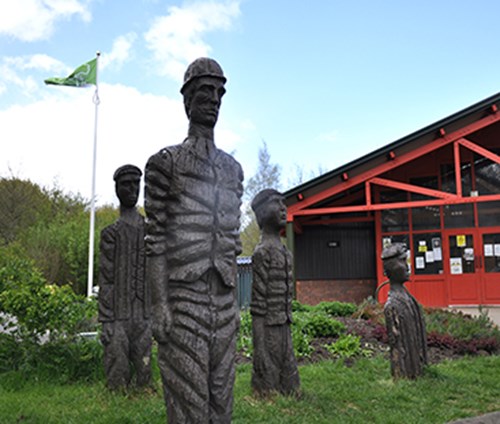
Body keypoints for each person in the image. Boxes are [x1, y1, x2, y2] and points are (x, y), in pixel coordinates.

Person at [144, 57, 243, 423]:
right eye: (205, 91)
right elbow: (155, 239)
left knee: (222, 400)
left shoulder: (233, 170)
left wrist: (232, 301)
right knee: (188, 404)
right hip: (183, 297)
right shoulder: (165, 163)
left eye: (219, 92)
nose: (214, 99)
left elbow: (232, 242)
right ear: (187, 100)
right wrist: (159, 305)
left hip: (224, 299)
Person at [98, 164, 152, 390]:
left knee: (144, 367)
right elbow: (106, 278)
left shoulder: (151, 231)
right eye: (126, 184)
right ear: (117, 189)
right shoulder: (110, 234)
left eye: (136, 183)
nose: (132, 189)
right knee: (117, 366)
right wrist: (107, 319)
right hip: (118, 313)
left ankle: (144, 389)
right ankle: (117, 395)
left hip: (144, 312)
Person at [250, 189, 300, 396]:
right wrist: (259, 347)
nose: (283, 208)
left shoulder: (285, 252)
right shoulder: (262, 253)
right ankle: (265, 391)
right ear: (261, 213)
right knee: (268, 375)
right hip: (268, 328)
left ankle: (286, 390)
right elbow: (257, 305)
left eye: (284, 203)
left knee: (290, 378)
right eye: (276, 203)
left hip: (284, 326)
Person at [382, 243, 428, 379]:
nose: (408, 267)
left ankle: (418, 370)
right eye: (402, 261)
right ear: (391, 269)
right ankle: (405, 375)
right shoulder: (393, 305)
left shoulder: (408, 298)